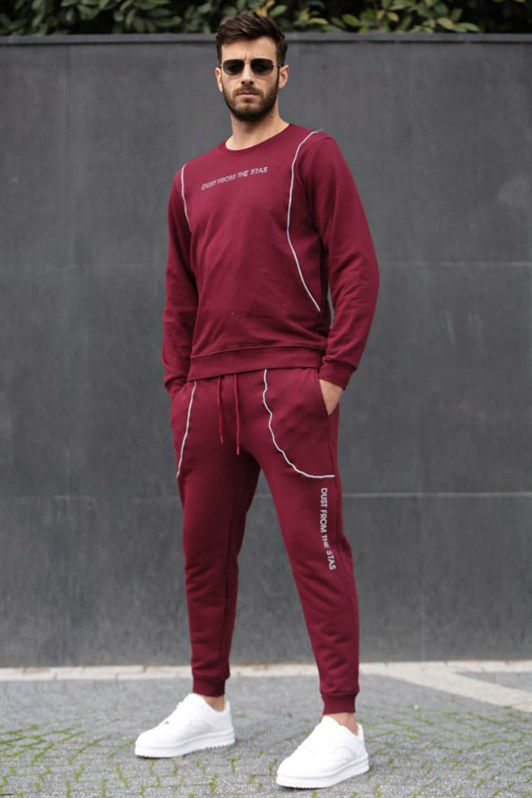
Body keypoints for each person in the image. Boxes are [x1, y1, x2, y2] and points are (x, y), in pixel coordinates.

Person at [135, 10, 379, 790]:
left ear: (282, 73)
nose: (247, 77)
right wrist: (179, 391)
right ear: (217, 76)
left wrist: (330, 378)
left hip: (289, 387)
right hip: (205, 396)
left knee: (318, 551)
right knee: (203, 554)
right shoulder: (189, 179)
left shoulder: (312, 154)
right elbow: (178, 295)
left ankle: (342, 723)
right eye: (234, 65)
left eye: (260, 65)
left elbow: (357, 266)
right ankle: (208, 703)